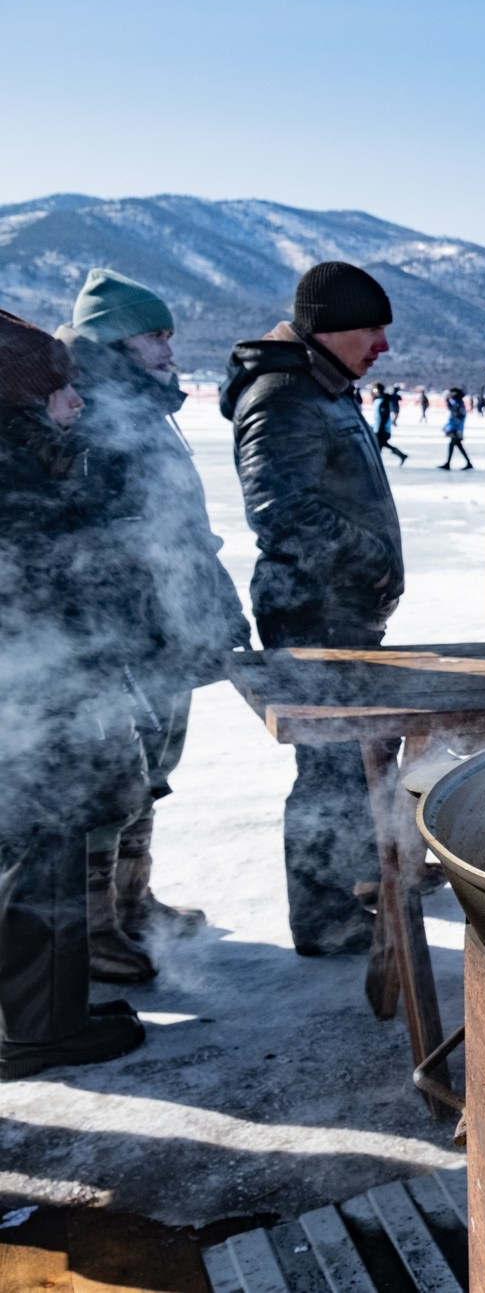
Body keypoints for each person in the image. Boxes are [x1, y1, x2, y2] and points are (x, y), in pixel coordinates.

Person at [56, 270, 249, 982]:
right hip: (125, 632)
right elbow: (95, 538)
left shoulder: (145, 408)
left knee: (153, 774)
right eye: (154, 335)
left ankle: (134, 900)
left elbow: (180, 528)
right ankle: (94, 923)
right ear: (114, 341)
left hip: (171, 623)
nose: (169, 348)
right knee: (114, 778)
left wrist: (208, 604)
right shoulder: (92, 412)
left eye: (169, 333)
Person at [222, 262, 402, 956]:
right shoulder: (282, 396)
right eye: (371, 330)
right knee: (327, 766)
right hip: (312, 611)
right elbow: (279, 511)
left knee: (351, 755)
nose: (382, 345)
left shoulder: (323, 386)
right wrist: (368, 556)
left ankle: (351, 883)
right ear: (329, 329)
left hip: (342, 610)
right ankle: (323, 915)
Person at [0, 309, 155, 1079]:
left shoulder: (26, 462)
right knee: (35, 843)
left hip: (34, 687)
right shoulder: (13, 471)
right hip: (32, 692)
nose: (76, 403)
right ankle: (36, 1026)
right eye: (61, 393)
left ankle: (42, 1012)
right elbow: (46, 571)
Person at [370, 382, 407, 464]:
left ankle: (376, 464)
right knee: (382, 445)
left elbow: (384, 418)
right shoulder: (379, 401)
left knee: (378, 448)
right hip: (379, 429)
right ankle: (402, 455)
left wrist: (380, 430)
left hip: (382, 430)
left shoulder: (383, 402)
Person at [440, 387, 472, 470]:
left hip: (456, 428)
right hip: (456, 427)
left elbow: (458, 414)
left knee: (453, 445)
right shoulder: (459, 402)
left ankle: (448, 463)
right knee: (458, 445)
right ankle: (468, 463)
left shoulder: (459, 403)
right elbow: (452, 409)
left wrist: (455, 427)